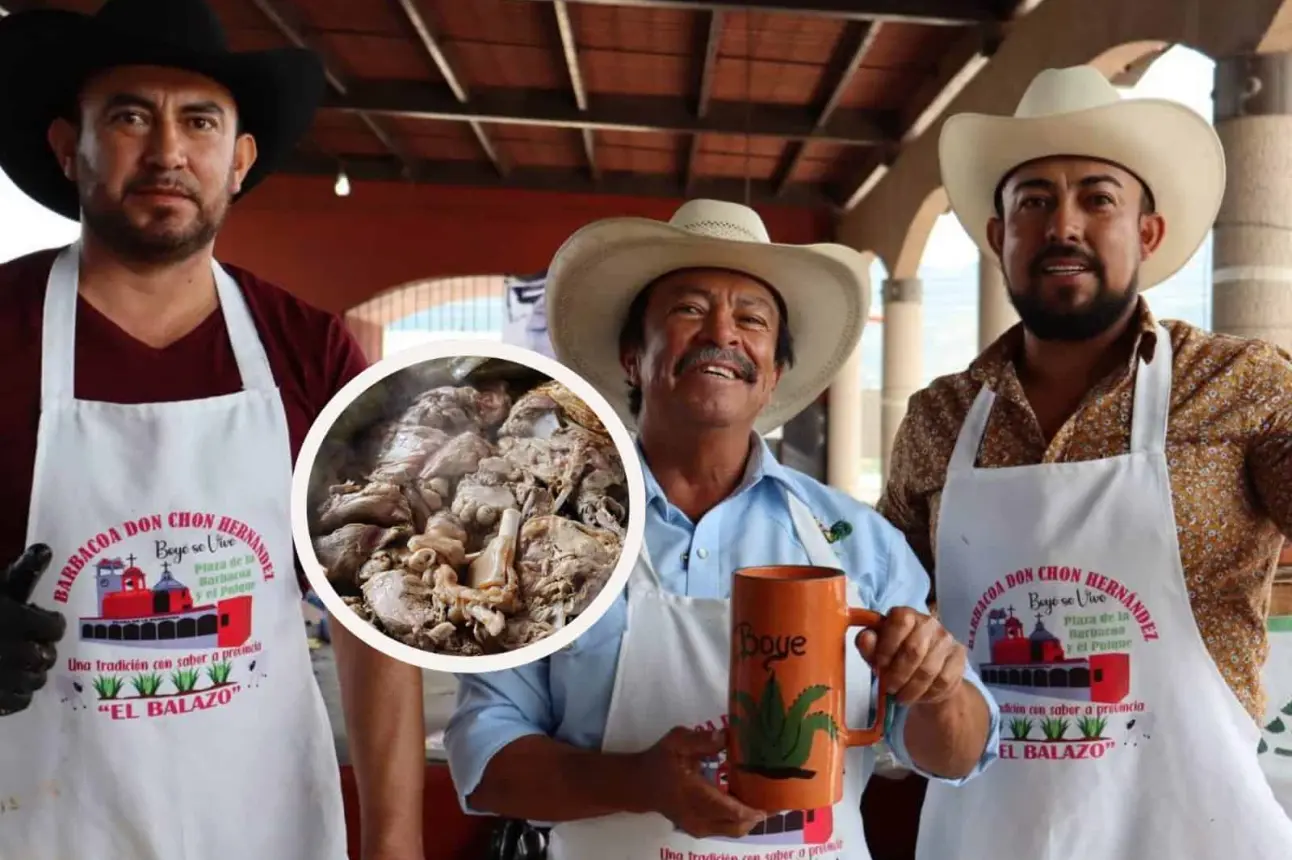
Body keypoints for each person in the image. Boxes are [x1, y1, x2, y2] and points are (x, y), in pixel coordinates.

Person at [441, 198, 1002, 860]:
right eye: (688, 309)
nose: (722, 334)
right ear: (631, 356)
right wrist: (636, 781)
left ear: (774, 375)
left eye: (753, 319)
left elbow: (954, 755)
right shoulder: (541, 536)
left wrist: (938, 692)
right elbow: (485, 760)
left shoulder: (856, 540)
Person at [0, 2, 424, 859]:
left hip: (262, 827)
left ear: (238, 160)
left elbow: (375, 615)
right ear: (65, 149)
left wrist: (394, 844)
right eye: (127, 117)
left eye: (199, 121)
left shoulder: (307, 348)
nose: (166, 151)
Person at [876, 66, 1292, 859]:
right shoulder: (938, 419)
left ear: (1147, 233)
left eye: (1098, 198)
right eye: (1033, 202)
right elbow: (891, 612)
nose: (1062, 225)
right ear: (999, 238)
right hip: (983, 836)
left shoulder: (1241, 386)